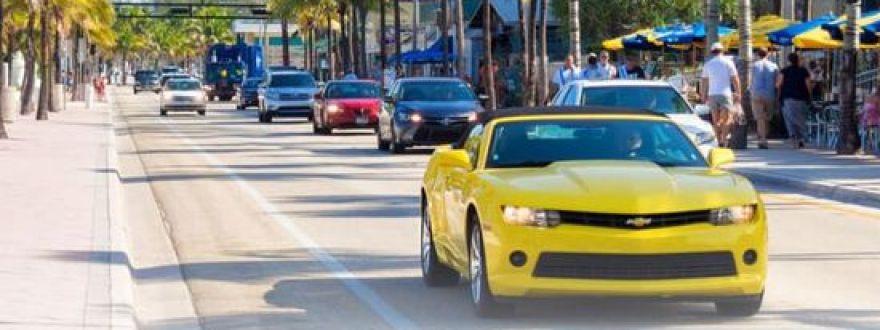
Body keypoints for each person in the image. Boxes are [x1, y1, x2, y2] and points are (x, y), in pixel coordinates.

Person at [700, 42, 741, 147]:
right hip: (725, 94)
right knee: (726, 119)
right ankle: (724, 140)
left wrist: (703, 95)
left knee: (715, 119)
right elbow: (735, 79)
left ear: (712, 52)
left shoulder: (708, 64)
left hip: (712, 94)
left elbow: (704, 81)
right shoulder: (728, 62)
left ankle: (718, 141)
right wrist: (738, 92)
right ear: (722, 51)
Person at [776, 52, 813, 149]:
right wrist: (810, 95)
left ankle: (794, 140)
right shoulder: (804, 71)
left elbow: (778, 84)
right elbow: (808, 85)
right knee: (801, 119)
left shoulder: (784, 71)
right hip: (802, 98)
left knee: (790, 120)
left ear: (789, 60)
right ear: (798, 60)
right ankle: (802, 139)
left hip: (788, 98)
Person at [750, 48, 779, 149]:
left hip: (756, 93)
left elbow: (751, 80)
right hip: (769, 94)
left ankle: (762, 139)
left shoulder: (754, 65)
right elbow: (777, 82)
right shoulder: (774, 66)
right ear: (767, 55)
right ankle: (763, 138)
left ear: (758, 54)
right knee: (767, 118)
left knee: (760, 118)